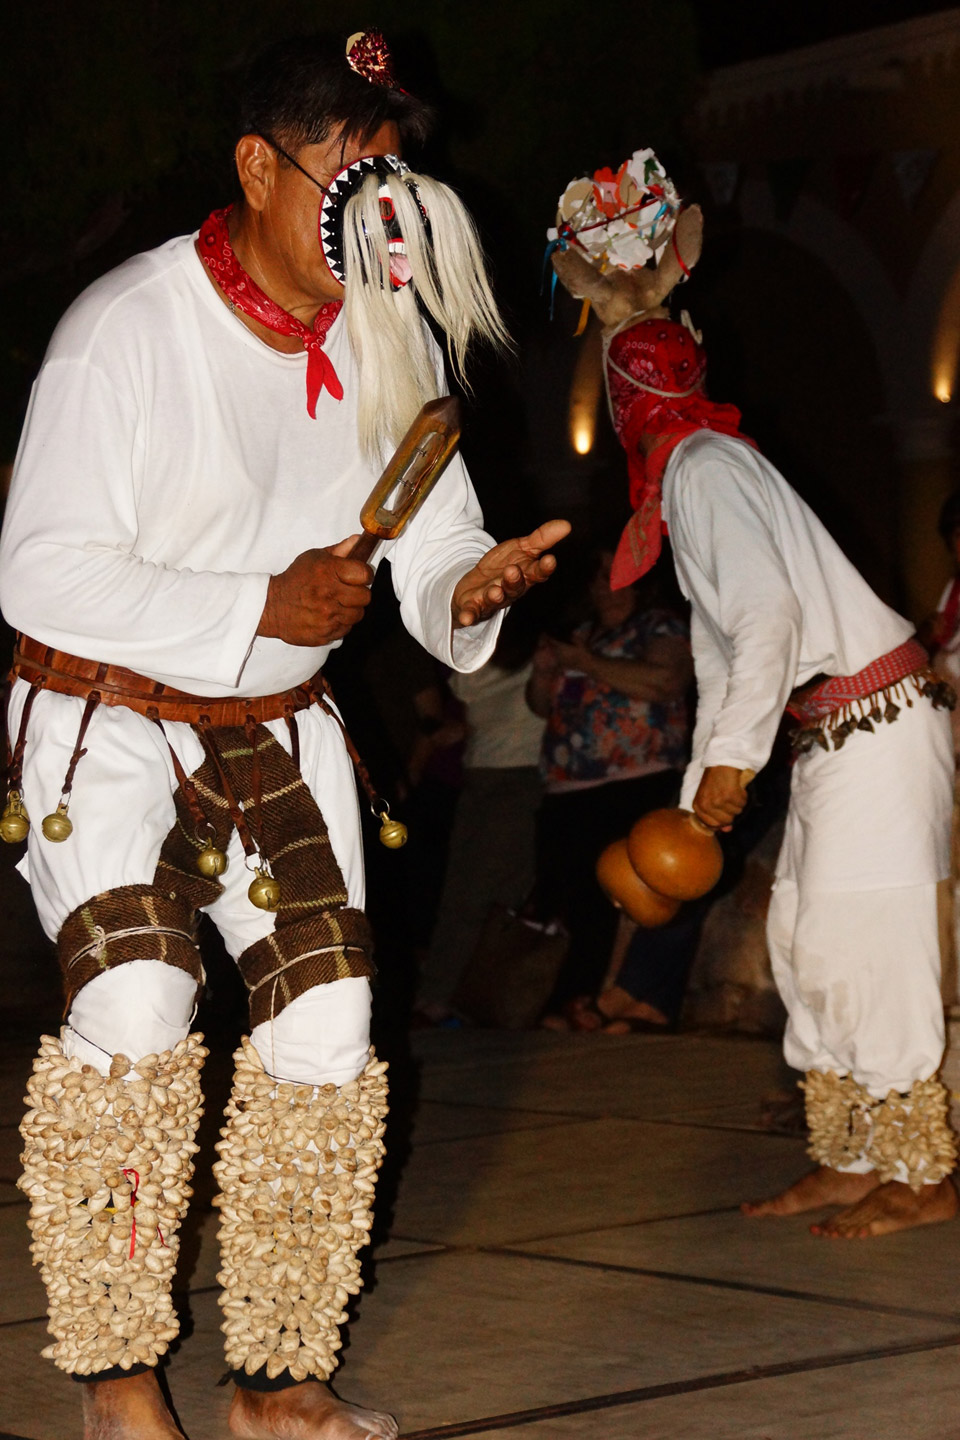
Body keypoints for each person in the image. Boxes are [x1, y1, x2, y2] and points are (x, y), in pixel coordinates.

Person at [0, 32, 568, 1440]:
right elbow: (40, 573)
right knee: (134, 1009)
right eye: (346, 166)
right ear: (259, 168)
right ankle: (117, 1376)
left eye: (392, 168)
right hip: (105, 713)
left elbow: (435, 556)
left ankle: (277, 1381)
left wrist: (466, 588)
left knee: (328, 1027)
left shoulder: (399, 334)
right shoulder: (122, 328)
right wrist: (260, 599)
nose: (378, 201)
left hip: (285, 724)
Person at [605, 314, 957, 1239]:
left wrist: (732, 763)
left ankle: (921, 1173)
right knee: (804, 941)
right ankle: (849, 1158)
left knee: (866, 951)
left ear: (625, 404)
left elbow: (767, 617)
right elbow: (725, 659)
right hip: (836, 730)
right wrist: (695, 806)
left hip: (874, 724)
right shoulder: (700, 473)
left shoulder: (705, 469)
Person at [527, 547, 692, 1021]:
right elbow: (542, 706)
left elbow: (665, 682)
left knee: (618, 895)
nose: (601, 583)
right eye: (595, 574)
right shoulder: (581, 633)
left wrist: (587, 662)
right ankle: (569, 998)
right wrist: (543, 672)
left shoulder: (658, 627)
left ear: (639, 579)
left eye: (611, 573)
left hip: (633, 783)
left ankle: (596, 1001)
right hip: (567, 788)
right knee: (571, 898)